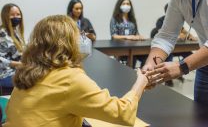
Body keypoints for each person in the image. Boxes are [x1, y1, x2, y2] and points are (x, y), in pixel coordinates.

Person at [4, 15, 148, 127]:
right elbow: (123, 113)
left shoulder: (26, 74)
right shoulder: (70, 79)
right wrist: (140, 83)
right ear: (69, 42)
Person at [151, 3, 197, 86]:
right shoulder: (161, 20)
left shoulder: (178, 20)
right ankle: (168, 78)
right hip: (168, 48)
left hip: (178, 47)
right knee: (169, 55)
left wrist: (190, 36)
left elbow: (184, 31)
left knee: (190, 55)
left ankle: (179, 72)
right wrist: (179, 36)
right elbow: (162, 33)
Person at [110, 0, 146, 68]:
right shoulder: (115, 19)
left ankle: (141, 76)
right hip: (120, 47)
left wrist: (139, 36)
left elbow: (136, 33)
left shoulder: (132, 19)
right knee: (125, 65)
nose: (126, 5)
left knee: (145, 58)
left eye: (128, 4)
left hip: (133, 47)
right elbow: (114, 35)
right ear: (119, 6)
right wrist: (127, 37)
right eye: (123, 3)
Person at [0, 3, 25, 90]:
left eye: (18, 14)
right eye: (12, 15)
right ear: (5, 16)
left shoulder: (16, 32)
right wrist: (17, 64)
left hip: (18, 71)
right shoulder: (2, 33)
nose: (16, 17)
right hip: (5, 74)